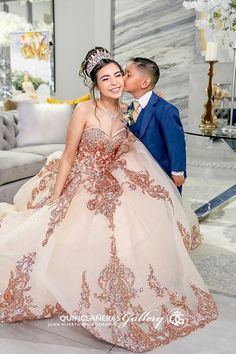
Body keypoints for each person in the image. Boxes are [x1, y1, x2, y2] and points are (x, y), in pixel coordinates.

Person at [0, 47, 217, 353]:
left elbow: (128, 145)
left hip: (110, 178)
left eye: (118, 74)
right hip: (82, 180)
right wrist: (56, 196)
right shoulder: (84, 111)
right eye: (106, 78)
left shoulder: (124, 109)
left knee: (136, 225)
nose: (115, 81)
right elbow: (68, 157)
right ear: (96, 85)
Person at [124, 58, 186, 193]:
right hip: (138, 173)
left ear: (145, 82)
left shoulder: (165, 109)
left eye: (128, 74)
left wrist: (178, 171)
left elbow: (176, 142)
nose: (123, 78)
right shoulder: (131, 107)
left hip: (161, 172)